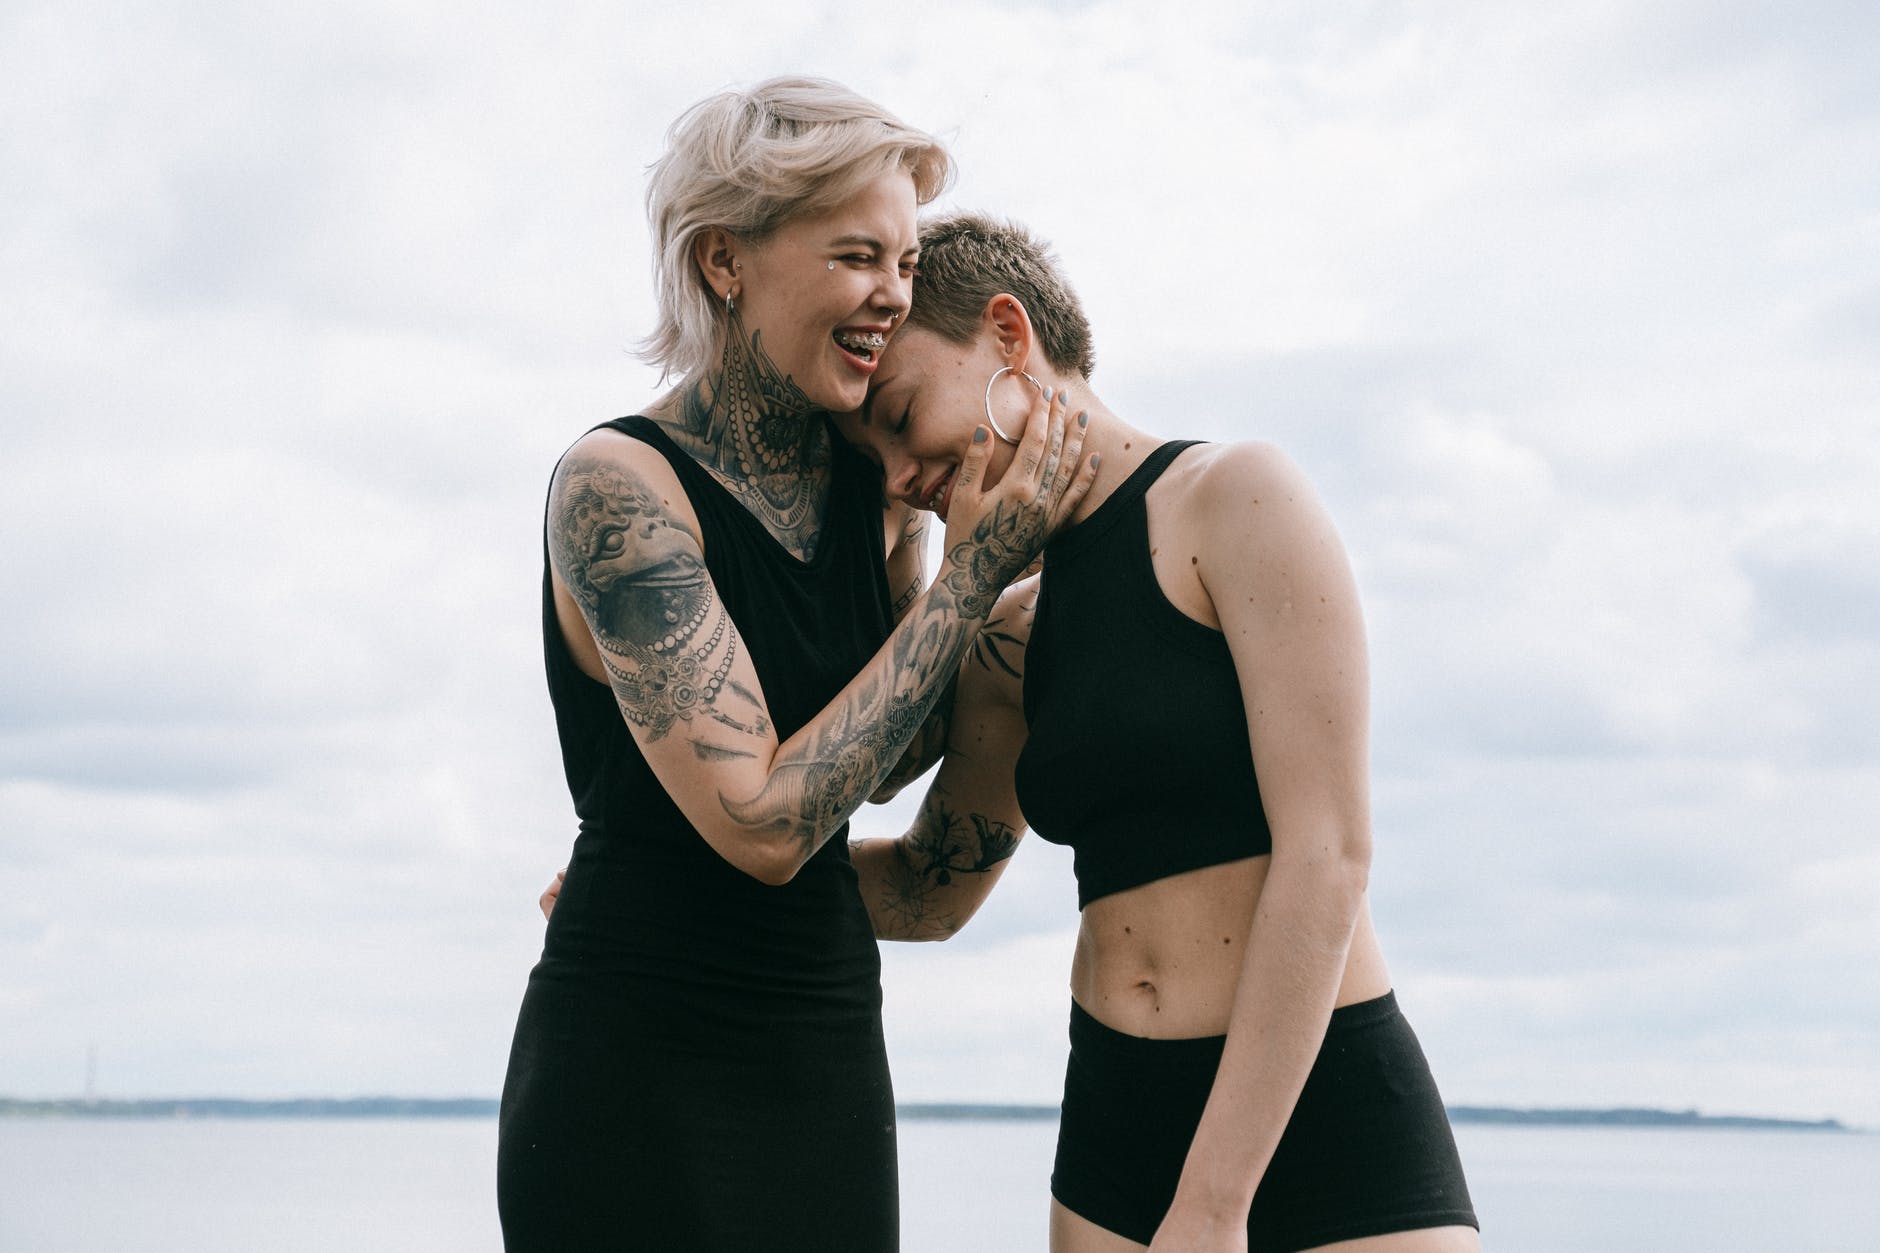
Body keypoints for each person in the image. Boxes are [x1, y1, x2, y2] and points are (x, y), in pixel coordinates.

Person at [498, 85, 1092, 1252]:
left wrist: (1026, 616)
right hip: (631, 1065)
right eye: (857, 254)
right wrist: (973, 581)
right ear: (725, 261)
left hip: (821, 1046)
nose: (894, 293)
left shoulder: (860, 478)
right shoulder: (619, 487)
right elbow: (768, 822)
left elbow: (877, 749)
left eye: (907, 260)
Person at [837, 213, 1483, 1253]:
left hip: (1319, 1114)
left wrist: (1214, 1203)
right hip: (1114, 1126)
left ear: (1007, 336)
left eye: (903, 417)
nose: (902, 478)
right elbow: (927, 888)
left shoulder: (1234, 498)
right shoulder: (1007, 629)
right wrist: (672, 884)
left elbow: (1327, 858)